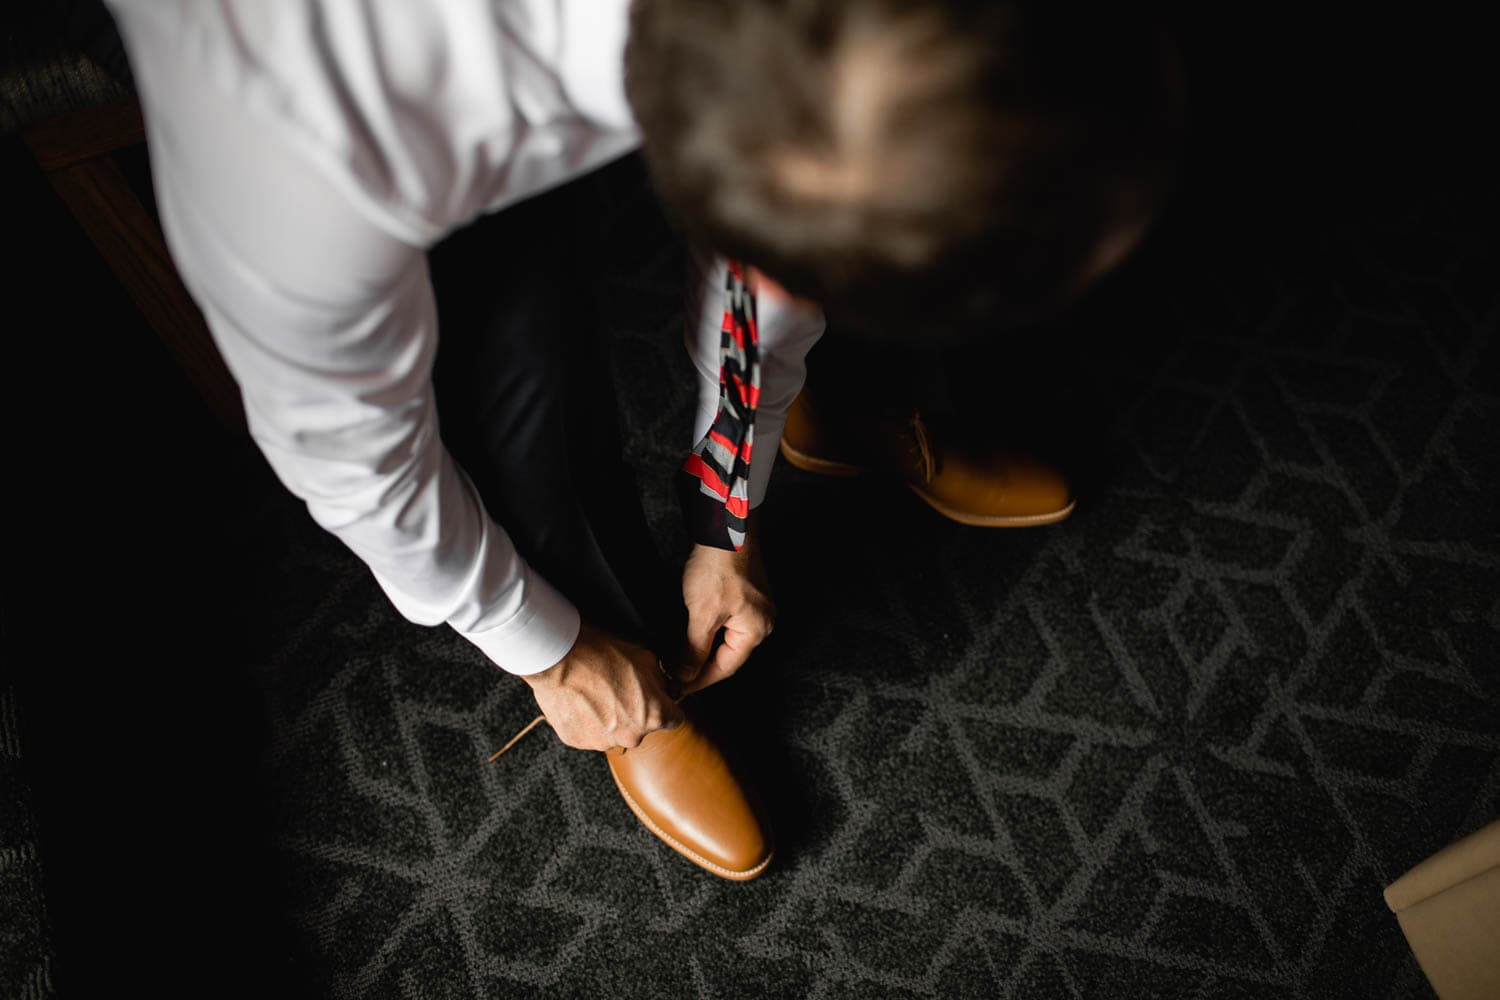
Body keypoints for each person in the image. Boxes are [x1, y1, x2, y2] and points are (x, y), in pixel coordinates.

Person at [101, 0, 1181, 879]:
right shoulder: (312, 154)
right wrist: (541, 641)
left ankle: (836, 414)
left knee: (876, 207)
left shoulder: (825, 74)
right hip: (385, 103)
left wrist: (730, 515)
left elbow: (776, 260)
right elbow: (357, 463)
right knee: (516, 349)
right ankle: (614, 656)